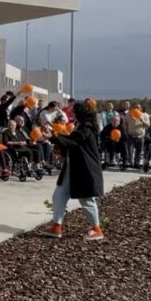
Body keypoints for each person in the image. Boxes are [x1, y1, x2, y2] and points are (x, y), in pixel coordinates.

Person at [36, 100, 104, 241]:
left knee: (86, 199)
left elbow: (73, 143)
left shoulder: (86, 128)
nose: (73, 114)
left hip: (85, 169)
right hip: (74, 168)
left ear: (81, 114)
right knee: (59, 194)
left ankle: (97, 229)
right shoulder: (82, 127)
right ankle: (56, 226)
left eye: (75, 112)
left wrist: (53, 137)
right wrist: (55, 137)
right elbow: (71, 141)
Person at [122, 103, 149, 168]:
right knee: (130, 150)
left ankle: (137, 163)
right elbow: (124, 124)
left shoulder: (144, 115)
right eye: (135, 107)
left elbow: (148, 125)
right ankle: (130, 163)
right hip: (130, 136)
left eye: (138, 107)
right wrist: (126, 132)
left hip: (140, 136)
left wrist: (142, 120)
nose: (136, 108)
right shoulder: (128, 115)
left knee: (139, 151)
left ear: (141, 108)